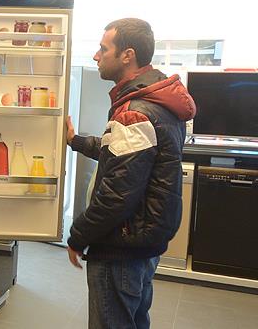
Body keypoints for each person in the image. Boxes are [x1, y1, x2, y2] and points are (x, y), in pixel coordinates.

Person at [65, 18, 195, 329]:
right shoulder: (155, 102)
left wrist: (77, 235)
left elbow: (116, 196)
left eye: (103, 49)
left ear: (127, 55)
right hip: (141, 240)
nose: (96, 56)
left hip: (121, 245)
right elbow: (121, 155)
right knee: (134, 320)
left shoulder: (135, 112)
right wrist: (75, 141)